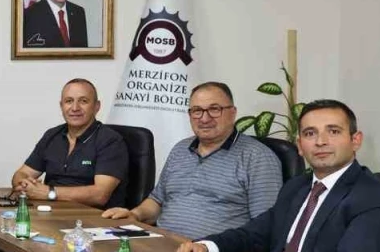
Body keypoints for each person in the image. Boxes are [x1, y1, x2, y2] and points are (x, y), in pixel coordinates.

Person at [176, 99, 380, 252]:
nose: (321, 142)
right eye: (310, 133)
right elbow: (254, 234)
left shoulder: (373, 197)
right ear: (300, 145)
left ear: (355, 140)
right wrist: (207, 246)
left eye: (333, 131)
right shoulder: (298, 186)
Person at [102, 81, 282, 240]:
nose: (204, 118)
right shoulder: (180, 149)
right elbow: (157, 201)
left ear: (233, 113)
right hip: (161, 243)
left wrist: (214, 248)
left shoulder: (257, 157)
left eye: (214, 109)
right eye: (197, 111)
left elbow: (265, 226)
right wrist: (135, 215)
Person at [11, 78, 128, 208]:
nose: (75, 108)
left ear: (97, 106)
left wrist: (49, 193)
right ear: (61, 106)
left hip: (92, 216)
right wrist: (25, 184)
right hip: (51, 212)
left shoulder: (110, 140)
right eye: (69, 101)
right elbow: (21, 173)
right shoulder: (52, 135)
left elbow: (100, 195)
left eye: (83, 101)